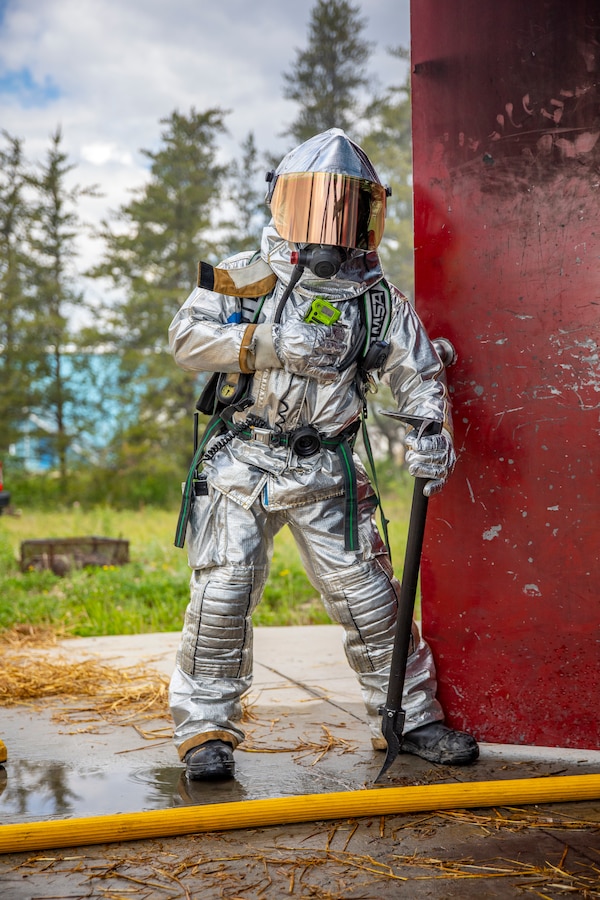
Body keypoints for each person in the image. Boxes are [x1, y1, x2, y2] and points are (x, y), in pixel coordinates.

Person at [168, 128, 479, 781]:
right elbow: (187, 339)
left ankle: (407, 717)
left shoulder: (376, 299)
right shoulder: (243, 278)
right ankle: (204, 730)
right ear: (283, 203)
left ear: (368, 216)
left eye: (344, 211)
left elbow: (419, 373)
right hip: (242, 462)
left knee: (371, 600)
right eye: (314, 205)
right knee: (222, 596)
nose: (328, 229)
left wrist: (431, 431)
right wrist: (266, 344)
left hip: (327, 467)